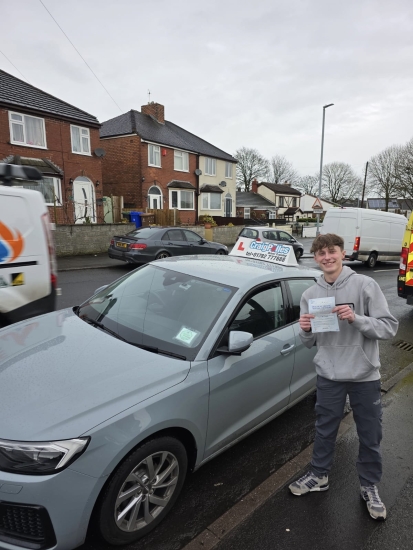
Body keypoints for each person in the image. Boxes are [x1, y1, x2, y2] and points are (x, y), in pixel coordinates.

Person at [288, 233, 398, 521]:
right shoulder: (310, 295)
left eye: (332, 251)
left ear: (342, 253)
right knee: (324, 430)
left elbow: (389, 328)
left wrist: (356, 318)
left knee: (370, 434)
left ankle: (369, 485)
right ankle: (319, 475)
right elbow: (309, 342)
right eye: (321, 253)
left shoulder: (365, 285)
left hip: (364, 375)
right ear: (316, 257)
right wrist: (305, 329)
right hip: (329, 374)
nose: (327, 257)